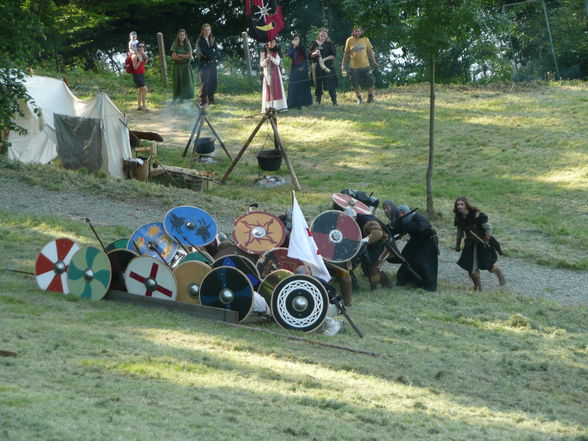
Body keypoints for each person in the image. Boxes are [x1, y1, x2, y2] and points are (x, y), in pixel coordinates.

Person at [453, 197, 506, 291]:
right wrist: (457, 245)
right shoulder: (458, 217)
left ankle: (498, 272)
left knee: (488, 265)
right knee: (471, 269)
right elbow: (459, 232)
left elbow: (489, 228)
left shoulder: (477, 215)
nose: (459, 206)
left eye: (462, 204)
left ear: (466, 205)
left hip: (483, 243)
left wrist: (486, 238)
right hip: (470, 244)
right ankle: (478, 288)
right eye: (458, 204)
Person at [389, 205, 438, 291]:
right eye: (399, 213)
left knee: (422, 262)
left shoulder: (417, 217)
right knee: (406, 258)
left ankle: (429, 286)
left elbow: (420, 228)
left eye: (403, 213)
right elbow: (396, 229)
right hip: (416, 240)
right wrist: (388, 229)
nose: (401, 215)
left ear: (407, 212)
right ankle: (403, 280)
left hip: (428, 241)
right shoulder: (404, 220)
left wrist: (405, 226)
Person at [349, 208, 393, 290]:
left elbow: (377, 233)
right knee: (366, 265)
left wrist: (361, 242)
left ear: (354, 217)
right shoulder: (357, 221)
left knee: (372, 265)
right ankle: (382, 285)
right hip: (372, 245)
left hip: (384, 244)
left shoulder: (368, 221)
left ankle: (379, 287)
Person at [295, 265, 344, 336]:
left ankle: (336, 324)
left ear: (308, 273)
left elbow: (333, 296)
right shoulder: (297, 285)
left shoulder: (319, 283)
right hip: (311, 310)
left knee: (316, 317)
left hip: (332, 306)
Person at [341, 26, 378, 104]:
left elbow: (370, 51)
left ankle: (370, 97)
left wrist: (374, 61)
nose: (357, 33)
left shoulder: (366, 39)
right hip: (353, 67)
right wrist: (343, 65)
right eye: (355, 31)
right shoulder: (349, 40)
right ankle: (359, 98)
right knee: (355, 84)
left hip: (365, 66)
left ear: (361, 32)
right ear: (353, 32)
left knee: (370, 82)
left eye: (358, 31)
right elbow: (346, 53)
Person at [308, 28, 338, 106]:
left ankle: (334, 101)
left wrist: (324, 59)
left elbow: (334, 56)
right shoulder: (314, 43)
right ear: (319, 34)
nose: (323, 35)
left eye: (325, 34)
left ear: (327, 35)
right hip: (316, 67)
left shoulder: (330, 43)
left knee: (330, 84)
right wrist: (315, 53)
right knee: (317, 84)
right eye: (322, 33)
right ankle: (318, 101)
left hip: (327, 67)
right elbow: (309, 55)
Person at [260, 39, 287, 112]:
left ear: (275, 43)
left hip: (276, 73)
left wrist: (272, 58)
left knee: (276, 89)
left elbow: (277, 62)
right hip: (267, 73)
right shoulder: (263, 51)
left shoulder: (277, 51)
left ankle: (278, 107)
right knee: (269, 90)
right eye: (270, 42)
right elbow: (262, 64)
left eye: (273, 42)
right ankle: (269, 107)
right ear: (268, 42)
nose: (272, 43)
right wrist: (266, 60)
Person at [286, 34, 312, 109]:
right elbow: (290, 56)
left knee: (302, 86)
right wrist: (294, 47)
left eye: (297, 39)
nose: (296, 40)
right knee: (293, 86)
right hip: (294, 69)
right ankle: (292, 104)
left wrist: (302, 67)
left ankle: (302, 103)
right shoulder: (291, 48)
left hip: (302, 70)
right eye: (295, 39)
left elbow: (305, 58)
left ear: (299, 40)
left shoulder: (303, 48)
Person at [196, 23, 219, 106]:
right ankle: (203, 100)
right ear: (202, 31)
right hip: (204, 64)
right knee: (204, 82)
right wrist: (211, 52)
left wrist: (211, 53)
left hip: (212, 64)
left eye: (208, 30)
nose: (207, 31)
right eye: (205, 30)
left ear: (210, 30)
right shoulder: (200, 41)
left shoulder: (212, 40)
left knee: (213, 82)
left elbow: (216, 52)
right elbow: (203, 52)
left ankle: (211, 99)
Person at [170, 29, 195, 100]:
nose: (181, 36)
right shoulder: (175, 44)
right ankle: (178, 97)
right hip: (177, 66)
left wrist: (180, 55)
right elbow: (174, 57)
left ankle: (188, 97)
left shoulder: (188, 44)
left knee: (187, 81)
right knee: (178, 82)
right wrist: (185, 56)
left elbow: (190, 55)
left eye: (183, 35)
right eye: (180, 35)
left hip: (186, 66)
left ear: (185, 36)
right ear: (178, 36)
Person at [131, 42, 149, 111]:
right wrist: (139, 60)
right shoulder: (134, 56)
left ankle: (139, 106)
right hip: (136, 75)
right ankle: (144, 106)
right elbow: (135, 67)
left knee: (141, 90)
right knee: (145, 89)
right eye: (140, 46)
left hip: (142, 74)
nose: (141, 48)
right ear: (137, 47)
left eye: (143, 47)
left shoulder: (142, 54)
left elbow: (145, 63)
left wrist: (145, 57)